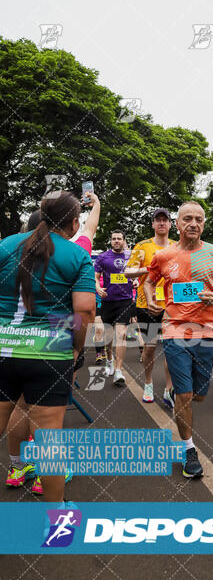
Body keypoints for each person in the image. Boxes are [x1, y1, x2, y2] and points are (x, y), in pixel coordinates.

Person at [0, 191, 96, 503]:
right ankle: (57, 519)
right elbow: (84, 311)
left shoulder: (6, 244)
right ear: (72, 221)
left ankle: (16, 468)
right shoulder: (76, 254)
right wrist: (76, 349)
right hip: (49, 352)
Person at [144, 201, 213, 478]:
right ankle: (189, 449)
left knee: (198, 395)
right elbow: (149, 280)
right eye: (187, 219)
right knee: (184, 395)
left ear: (204, 224)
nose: (193, 223)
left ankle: (179, 394)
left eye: (198, 219)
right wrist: (150, 299)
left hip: (206, 331)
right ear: (178, 223)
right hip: (174, 330)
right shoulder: (165, 255)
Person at [124, 208, 175, 405]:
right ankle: (148, 383)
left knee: (172, 347)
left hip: (171, 305)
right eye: (158, 220)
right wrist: (150, 268)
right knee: (150, 347)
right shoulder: (142, 246)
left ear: (170, 225)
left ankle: (169, 389)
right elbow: (128, 271)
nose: (162, 223)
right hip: (147, 304)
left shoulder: (176, 246)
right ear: (153, 224)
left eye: (165, 220)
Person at [94, 230, 132, 386]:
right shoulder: (103, 257)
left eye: (119, 238)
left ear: (124, 240)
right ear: (111, 241)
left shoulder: (130, 256)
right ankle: (109, 360)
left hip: (125, 300)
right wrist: (98, 288)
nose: (116, 241)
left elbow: (136, 274)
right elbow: (95, 278)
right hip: (108, 300)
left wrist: (136, 281)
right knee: (108, 335)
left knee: (121, 334)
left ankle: (118, 370)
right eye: (114, 238)